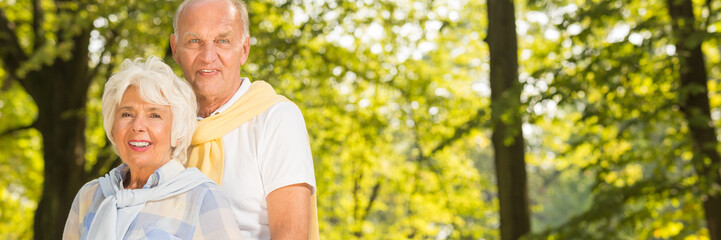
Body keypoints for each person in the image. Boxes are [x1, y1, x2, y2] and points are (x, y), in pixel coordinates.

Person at [170, 0, 318, 239]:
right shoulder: (162, 125)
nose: (208, 57)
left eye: (222, 41)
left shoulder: (276, 118)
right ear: (175, 48)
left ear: (245, 49)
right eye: (194, 41)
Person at [62, 56, 243, 240]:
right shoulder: (90, 196)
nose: (138, 125)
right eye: (126, 114)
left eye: (154, 115)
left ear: (177, 132)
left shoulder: (203, 198)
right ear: (113, 128)